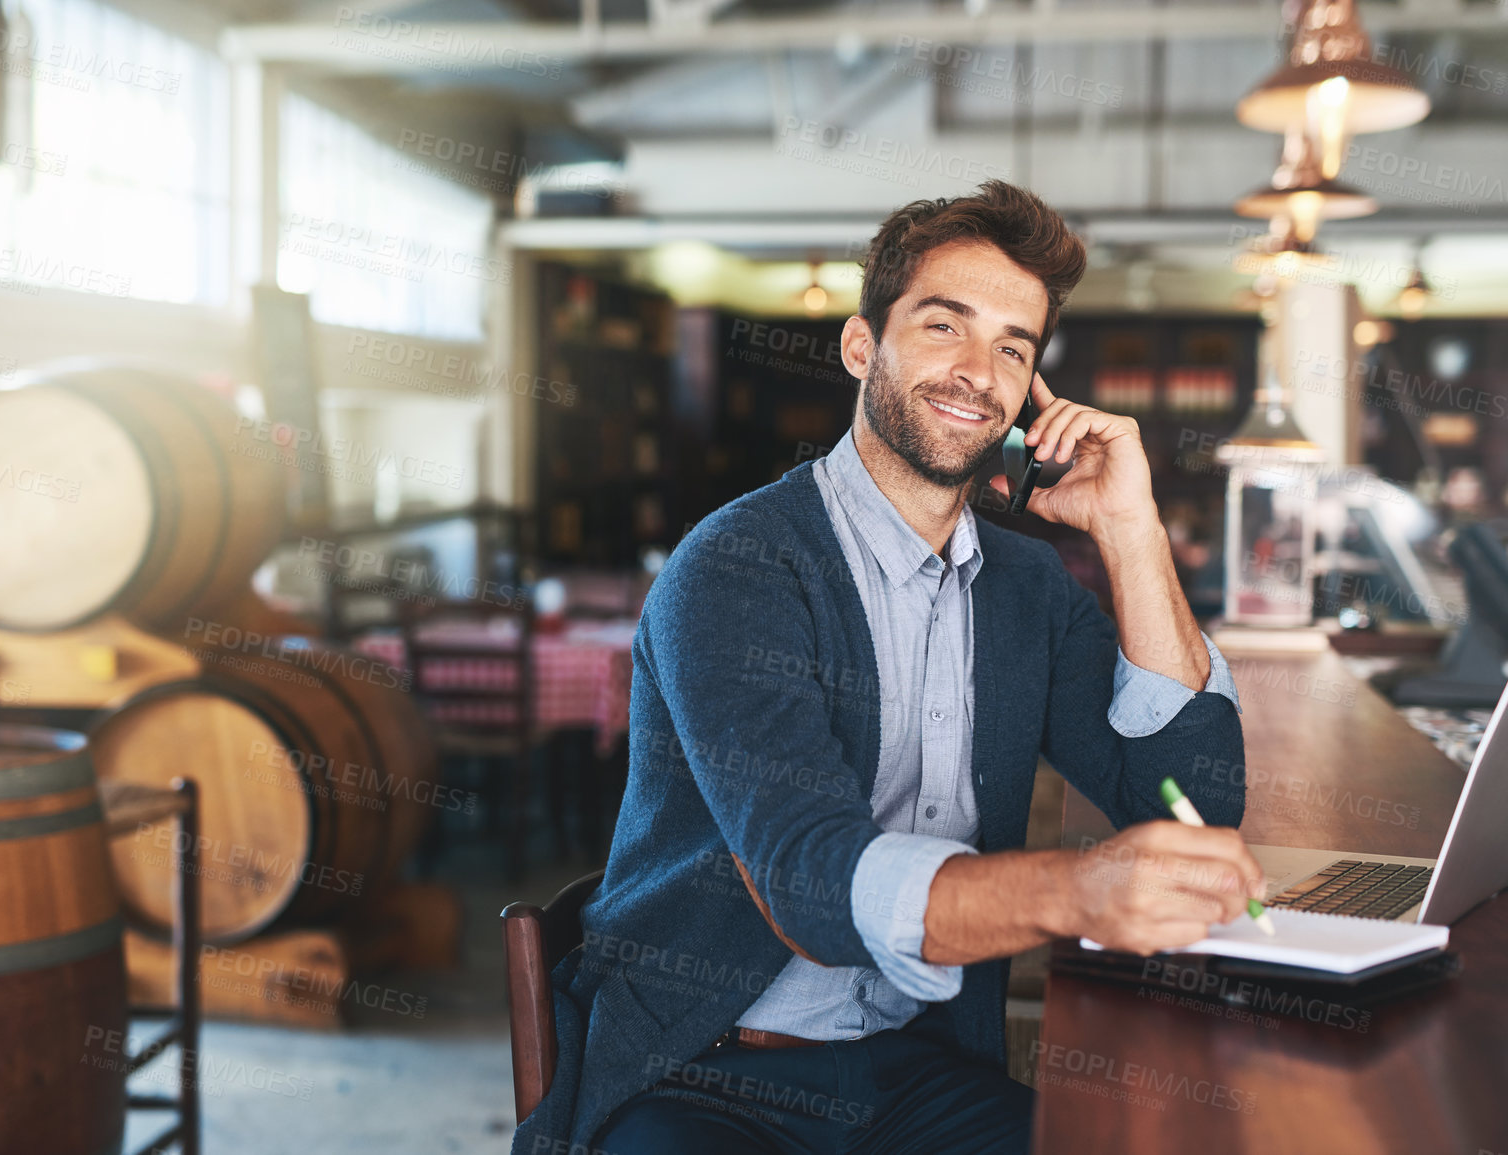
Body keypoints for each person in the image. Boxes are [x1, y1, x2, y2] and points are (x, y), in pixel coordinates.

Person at [510, 180, 1260, 1155]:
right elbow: (811, 884)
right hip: (701, 1076)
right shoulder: (736, 569)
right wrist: (1075, 892)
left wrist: (1129, 528)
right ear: (863, 345)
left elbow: (1188, 796)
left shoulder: (1026, 589)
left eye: (1013, 347)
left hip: (918, 1067)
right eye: (944, 325)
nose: (978, 372)